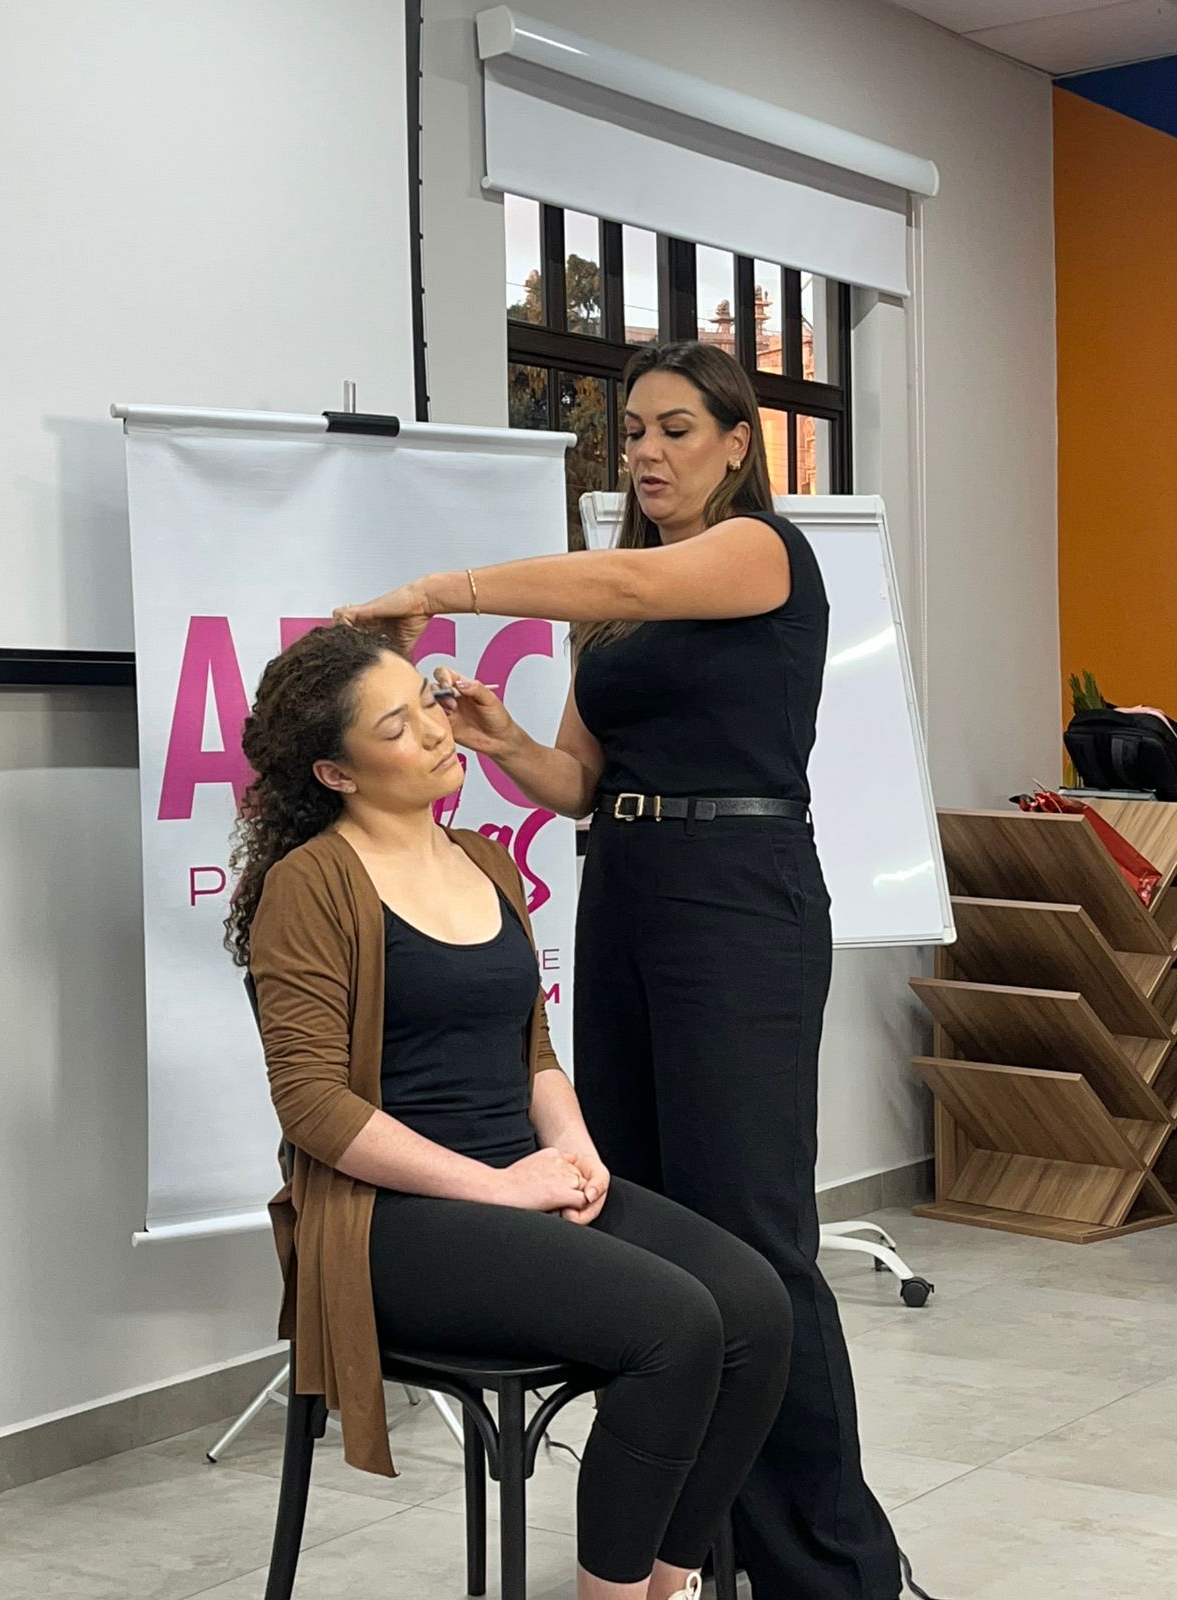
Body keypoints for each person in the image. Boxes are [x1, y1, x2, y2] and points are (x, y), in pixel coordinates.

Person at [334, 340, 908, 1600]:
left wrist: (442, 586)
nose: (646, 450)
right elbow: (579, 783)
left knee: (756, 1236)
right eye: (633, 430)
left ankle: (832, 1569)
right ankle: (689, 1553)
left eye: (674, 429)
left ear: (737, 442)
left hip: (740, 897)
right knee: (650, 1228)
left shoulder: (761, 553)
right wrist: (502, 741)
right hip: (631, 889)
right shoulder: (617, 612)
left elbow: (625, 580)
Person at [226, 623, 792, 1600]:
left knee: (756, 1308)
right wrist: (496, 1187)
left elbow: (532, 1050)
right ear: (335, 772)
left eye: (427, 704)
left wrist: (575, 1151)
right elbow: (313, 1105)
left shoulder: (486, 861)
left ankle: (667, 1583)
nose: (434, 732)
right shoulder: (308, 886)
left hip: (518, 1186)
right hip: (391, 1223)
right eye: (395, 728)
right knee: (675, 1327)